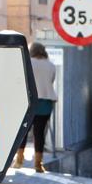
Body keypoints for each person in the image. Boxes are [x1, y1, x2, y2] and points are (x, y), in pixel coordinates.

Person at [14, 41, 57, 172]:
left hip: (29, 102)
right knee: (39, 133)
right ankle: (38, 165)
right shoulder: (51, 65)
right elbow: (51, 81)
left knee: (23, 131)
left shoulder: (28, 63)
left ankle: (19, 161)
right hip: (46, 103)